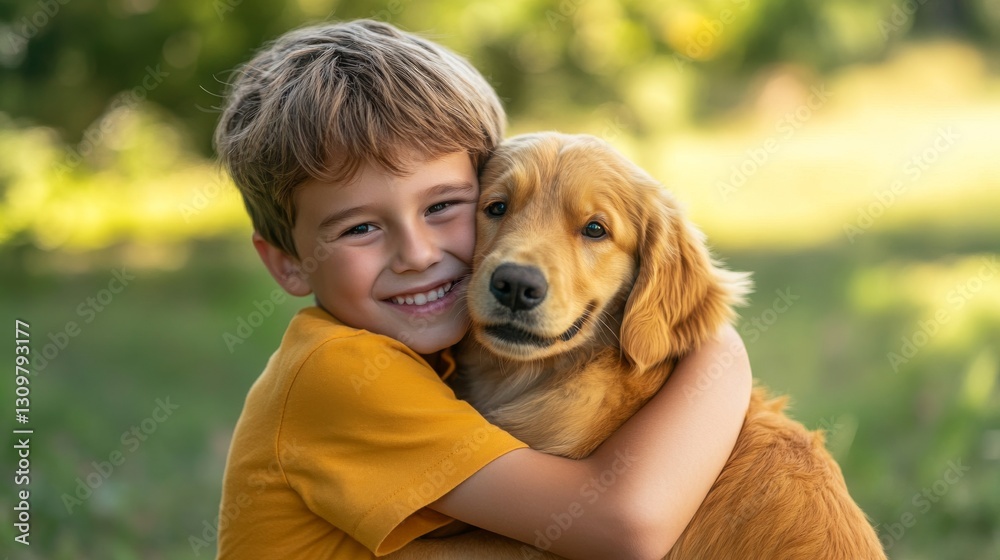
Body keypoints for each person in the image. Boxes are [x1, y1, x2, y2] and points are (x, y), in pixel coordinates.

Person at [213, 19, 752, 560]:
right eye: (360, 228)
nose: (419, 254)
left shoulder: (436, 357)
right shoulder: (339, 371)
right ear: (288, 264)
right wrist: (722, 354)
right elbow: (620, 528)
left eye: (443, 207)